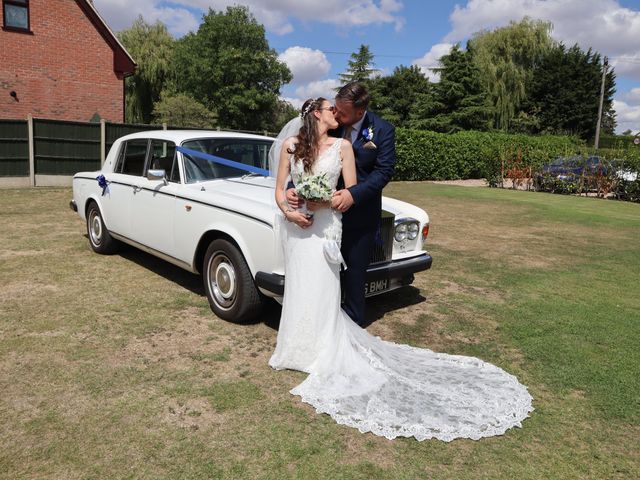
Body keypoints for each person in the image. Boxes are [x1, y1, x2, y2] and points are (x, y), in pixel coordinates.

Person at [268, 97, 533, 441]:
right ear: (316, 114)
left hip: (325, 225)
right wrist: (289, 210)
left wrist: (325, 201)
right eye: (331, 108)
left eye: (338, 108)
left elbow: (350, 191)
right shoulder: (291, 146)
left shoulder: (344, 146)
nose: (337, 112)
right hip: (298, 227)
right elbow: (279, 191)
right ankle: (293, 349)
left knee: (322, 285)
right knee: (301, 284)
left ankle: (321, 352)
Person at [287, 82, 395, 327]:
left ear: (359, 112)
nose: (336, 113)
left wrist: (353, 194)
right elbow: (306, 159)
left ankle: (351, 326)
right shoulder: (331, 125)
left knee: (355, 273)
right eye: (334, 108)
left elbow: (384, 172)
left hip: (360, 214)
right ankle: (322, 321)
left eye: (342, 111)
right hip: (322, 216)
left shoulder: (382, 130)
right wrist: (291, 188)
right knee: (323, 271)